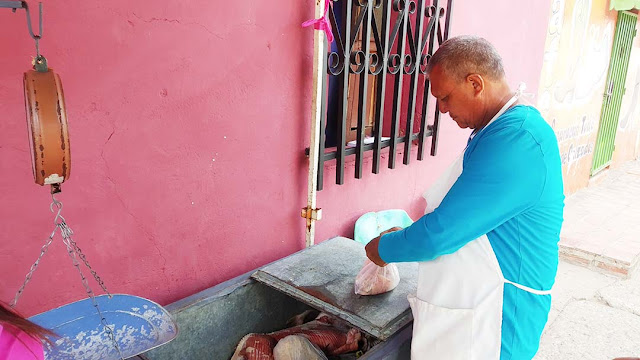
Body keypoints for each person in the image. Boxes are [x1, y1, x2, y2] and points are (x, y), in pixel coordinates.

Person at [365, 35, 564, 360]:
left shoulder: (519, 140)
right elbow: (471, 213)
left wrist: (382, 248)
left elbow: (441, 233)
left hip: (499, 322)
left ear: (475, 83)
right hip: (474, 308)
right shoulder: (494, 130)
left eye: (445, 97)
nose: (442, 109)